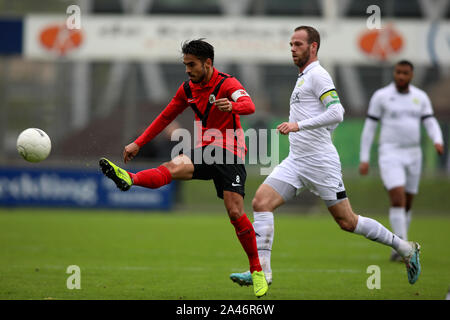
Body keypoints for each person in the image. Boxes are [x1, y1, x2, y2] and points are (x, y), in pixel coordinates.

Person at [229, 26, 422, 288]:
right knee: (261, 202)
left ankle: (405, 247)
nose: (293, 49)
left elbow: (337, 112)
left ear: (313, 47)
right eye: (291, 44)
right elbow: (326, 118)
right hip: (297, 160)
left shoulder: (318, 75)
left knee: (347, 221)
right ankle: (263, 273)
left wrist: (298, 126)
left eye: (298, 44)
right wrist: (305, 127)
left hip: (320, 162)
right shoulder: (303, 78)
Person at [99, 39, 268, 297]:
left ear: (208, 63)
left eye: (192, 65)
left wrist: (232, 105)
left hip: (230, 152)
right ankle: (129, 179)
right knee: (172, 166)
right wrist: (138, 143)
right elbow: (166, 116)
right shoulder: (187, 88)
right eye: (185, 64)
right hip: (205, 151)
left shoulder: (227, 83)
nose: (187, 70)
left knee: (235, 212)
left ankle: (257, 271)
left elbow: (249, 105)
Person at [359, 60, 444, 261]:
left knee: (407, 203)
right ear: (394, 73)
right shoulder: (381, 96)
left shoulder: (420, 97)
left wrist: (438, 140)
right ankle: (403, 246)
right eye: (398, 72)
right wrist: (364, 158)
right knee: (397, 198)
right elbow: (370, 127)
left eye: (405, 73)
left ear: (411, 75)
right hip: (390, 152)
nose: (401, 76)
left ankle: (398, 244)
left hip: (414, 154)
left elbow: (430, 121)